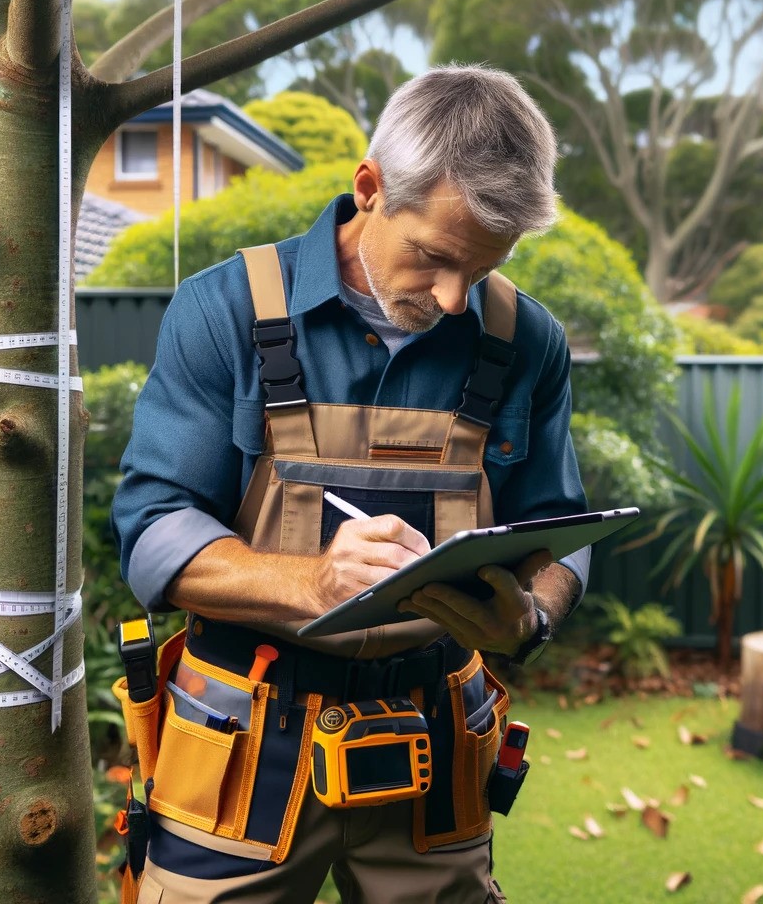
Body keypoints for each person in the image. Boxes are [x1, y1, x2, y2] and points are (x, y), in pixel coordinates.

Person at [111, 65, 590, 904]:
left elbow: (558, 532)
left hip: (437, 740)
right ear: (369, 188)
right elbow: (152, 530)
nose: (451, 300)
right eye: (435, 258)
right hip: (240, 736)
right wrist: (310, 580)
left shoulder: (527, 341)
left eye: (478, 270)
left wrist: (533, 611)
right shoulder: (223, 311)